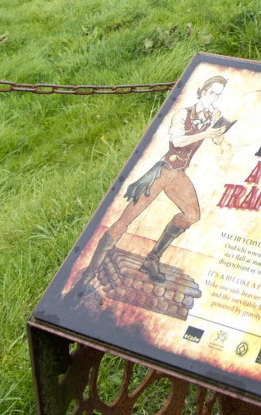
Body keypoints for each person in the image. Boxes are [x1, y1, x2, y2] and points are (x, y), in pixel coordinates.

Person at [75, 75, 235, 294]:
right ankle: (89, 274)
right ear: (203, 90)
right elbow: (177, 141)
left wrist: (219, 130)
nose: (214, 97)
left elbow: (216, 140)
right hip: (163, 171)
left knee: (192, 215)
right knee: (125, 220)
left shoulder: (212, 114)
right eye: (211, 92)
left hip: (179, 174)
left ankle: (152, 259)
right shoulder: (183, 114)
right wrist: (205, 132)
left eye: (218, 94)